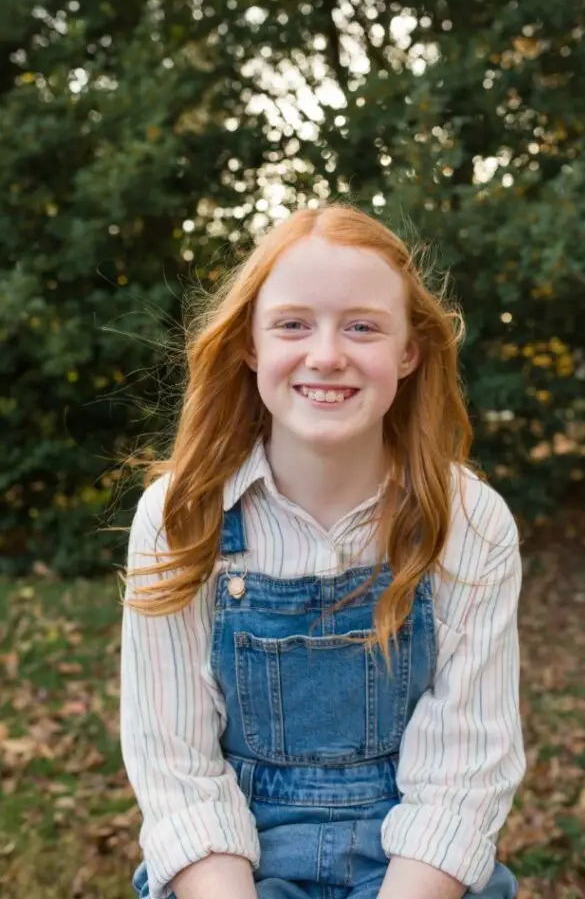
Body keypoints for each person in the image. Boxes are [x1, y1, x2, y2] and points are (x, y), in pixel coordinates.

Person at [120, 204, 526, 899]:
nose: (327, 353)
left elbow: (464, 772)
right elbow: (175, 767)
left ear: (408, 351)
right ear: (251, 343)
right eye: (293, 324)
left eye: (362, 326)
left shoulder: (469, 523)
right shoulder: (183, 515)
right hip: (237, 862)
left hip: (411, 865)